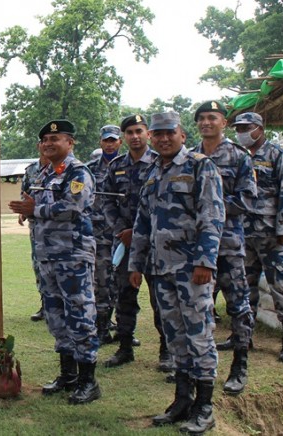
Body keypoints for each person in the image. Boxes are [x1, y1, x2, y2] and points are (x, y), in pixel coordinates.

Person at [129, 112, 224, 433]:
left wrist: (205, 262)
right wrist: (135, 265)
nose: (163, 138)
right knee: (174, 336)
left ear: (182, 135)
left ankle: (205, 406)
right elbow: (142, 222)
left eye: (169, 133)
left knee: (199, 334)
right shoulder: (153, 173)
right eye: (158, 134)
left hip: (191, 270)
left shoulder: (200, 166)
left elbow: (212, 217)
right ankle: (182, 400)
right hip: (160, 271)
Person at [9, 119, 101, 405]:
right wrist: (27, 211)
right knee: (56, 316)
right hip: (46, 256)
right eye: (45, 140)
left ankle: (89, 381)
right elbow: (34, 205)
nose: (49, 144)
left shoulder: (78, 172)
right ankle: (68, 375)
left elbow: (74, 206)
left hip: (72, 256)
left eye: (56, 139)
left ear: (70, 142)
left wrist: (36, 208)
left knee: (80, 315)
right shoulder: (43, 174)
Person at [192, 100, 257, 396]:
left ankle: (239, 366)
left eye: (212, 118)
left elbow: (246, 201)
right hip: (195, 248)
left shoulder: (239, 156)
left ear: (224, 123)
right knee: (198, 309)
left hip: (228, 245)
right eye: (202, 118)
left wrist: (210, 209)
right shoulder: (189, 158)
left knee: (238, 307)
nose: (207, 123)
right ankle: (198, 368)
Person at [102, 115, 173, 373]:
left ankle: (167, 351)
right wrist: (121, 230)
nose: (135, 136)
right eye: (130, 132)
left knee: (160, 298)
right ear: (124, 136)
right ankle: (124, 347)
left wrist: (141, 231)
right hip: (125, 242)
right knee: (124, 296)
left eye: (139, 131)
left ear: (148, 134)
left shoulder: (160, 163)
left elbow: (166, 205)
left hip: (155, 242)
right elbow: (107, 201)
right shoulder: (116, 166)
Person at [232, 112, 283, 362]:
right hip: (243, 234)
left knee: (282, 286)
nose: (241, 132)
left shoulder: (277, 155)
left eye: (246, 127)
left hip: (272, 235)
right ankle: (242, 337)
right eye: (238, 128)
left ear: (260, 128)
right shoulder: (238, 157)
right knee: (243, 287)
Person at [86, 125, 122, 346]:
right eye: (106, 140)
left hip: (122, 233)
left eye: (113, 140)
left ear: (120, 142)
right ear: (101, 142)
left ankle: (124, 329)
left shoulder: (127, 165)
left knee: (122, 282)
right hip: (97, 233)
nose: (109, 144)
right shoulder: (89, 169)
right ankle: (102, 328)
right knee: (100, 281)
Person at [20, 144, 50, 321]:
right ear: (38, 146)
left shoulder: (61, 169)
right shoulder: (31, 170)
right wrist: (23, 211)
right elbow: (24, 193)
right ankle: (46, 305)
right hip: (36, 227)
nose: (47, 145)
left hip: (57, 228)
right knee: (39, 266)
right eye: (43, 141)